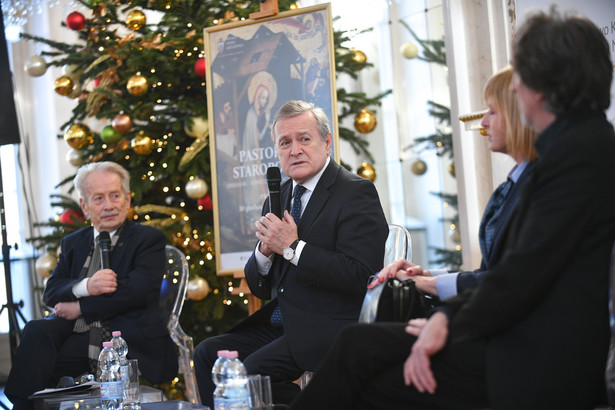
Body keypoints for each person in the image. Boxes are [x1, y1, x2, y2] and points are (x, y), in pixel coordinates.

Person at [290, 6, 615, 409]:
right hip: (516, 336)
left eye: (522, 77)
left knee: (363, 364)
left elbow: (521, 274)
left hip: (534, 356)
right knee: (360, 352)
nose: (514, 90)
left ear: (547, 84)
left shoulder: (578, 157)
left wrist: (445, 320)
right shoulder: (578, 148)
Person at [193, 100, 388, 407]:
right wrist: (264, 252)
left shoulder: (355, 192)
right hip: (284, 323)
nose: (294, 149)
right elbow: (261, 288)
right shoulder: (279, 195)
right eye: (285, 142)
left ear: (326, 142)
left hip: (329, 325)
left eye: (304, 139)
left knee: (254, 372)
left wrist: (293, 248)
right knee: (207, 353)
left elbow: (361, 274)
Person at [5, 162, 178, 410]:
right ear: (85, 206)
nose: (109, 205)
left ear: (128, 200)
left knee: (41, 366)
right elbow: (51, 292)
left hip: (126, 334)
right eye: (98, 198)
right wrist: (87, 285)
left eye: (115, 196)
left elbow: (137, 292)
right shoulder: (73, 243)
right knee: (36, 331)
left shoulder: (147, 239)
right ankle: (20, 406)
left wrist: (81, 308)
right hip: (76, 331)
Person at [370, 65, 537, 301]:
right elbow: (488, 273)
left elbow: (510, 281)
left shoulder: (536, 185)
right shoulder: (515, 182)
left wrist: (428, 285)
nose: (483, 122)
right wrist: (427, 275)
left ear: (517, 115)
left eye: (492, 111)